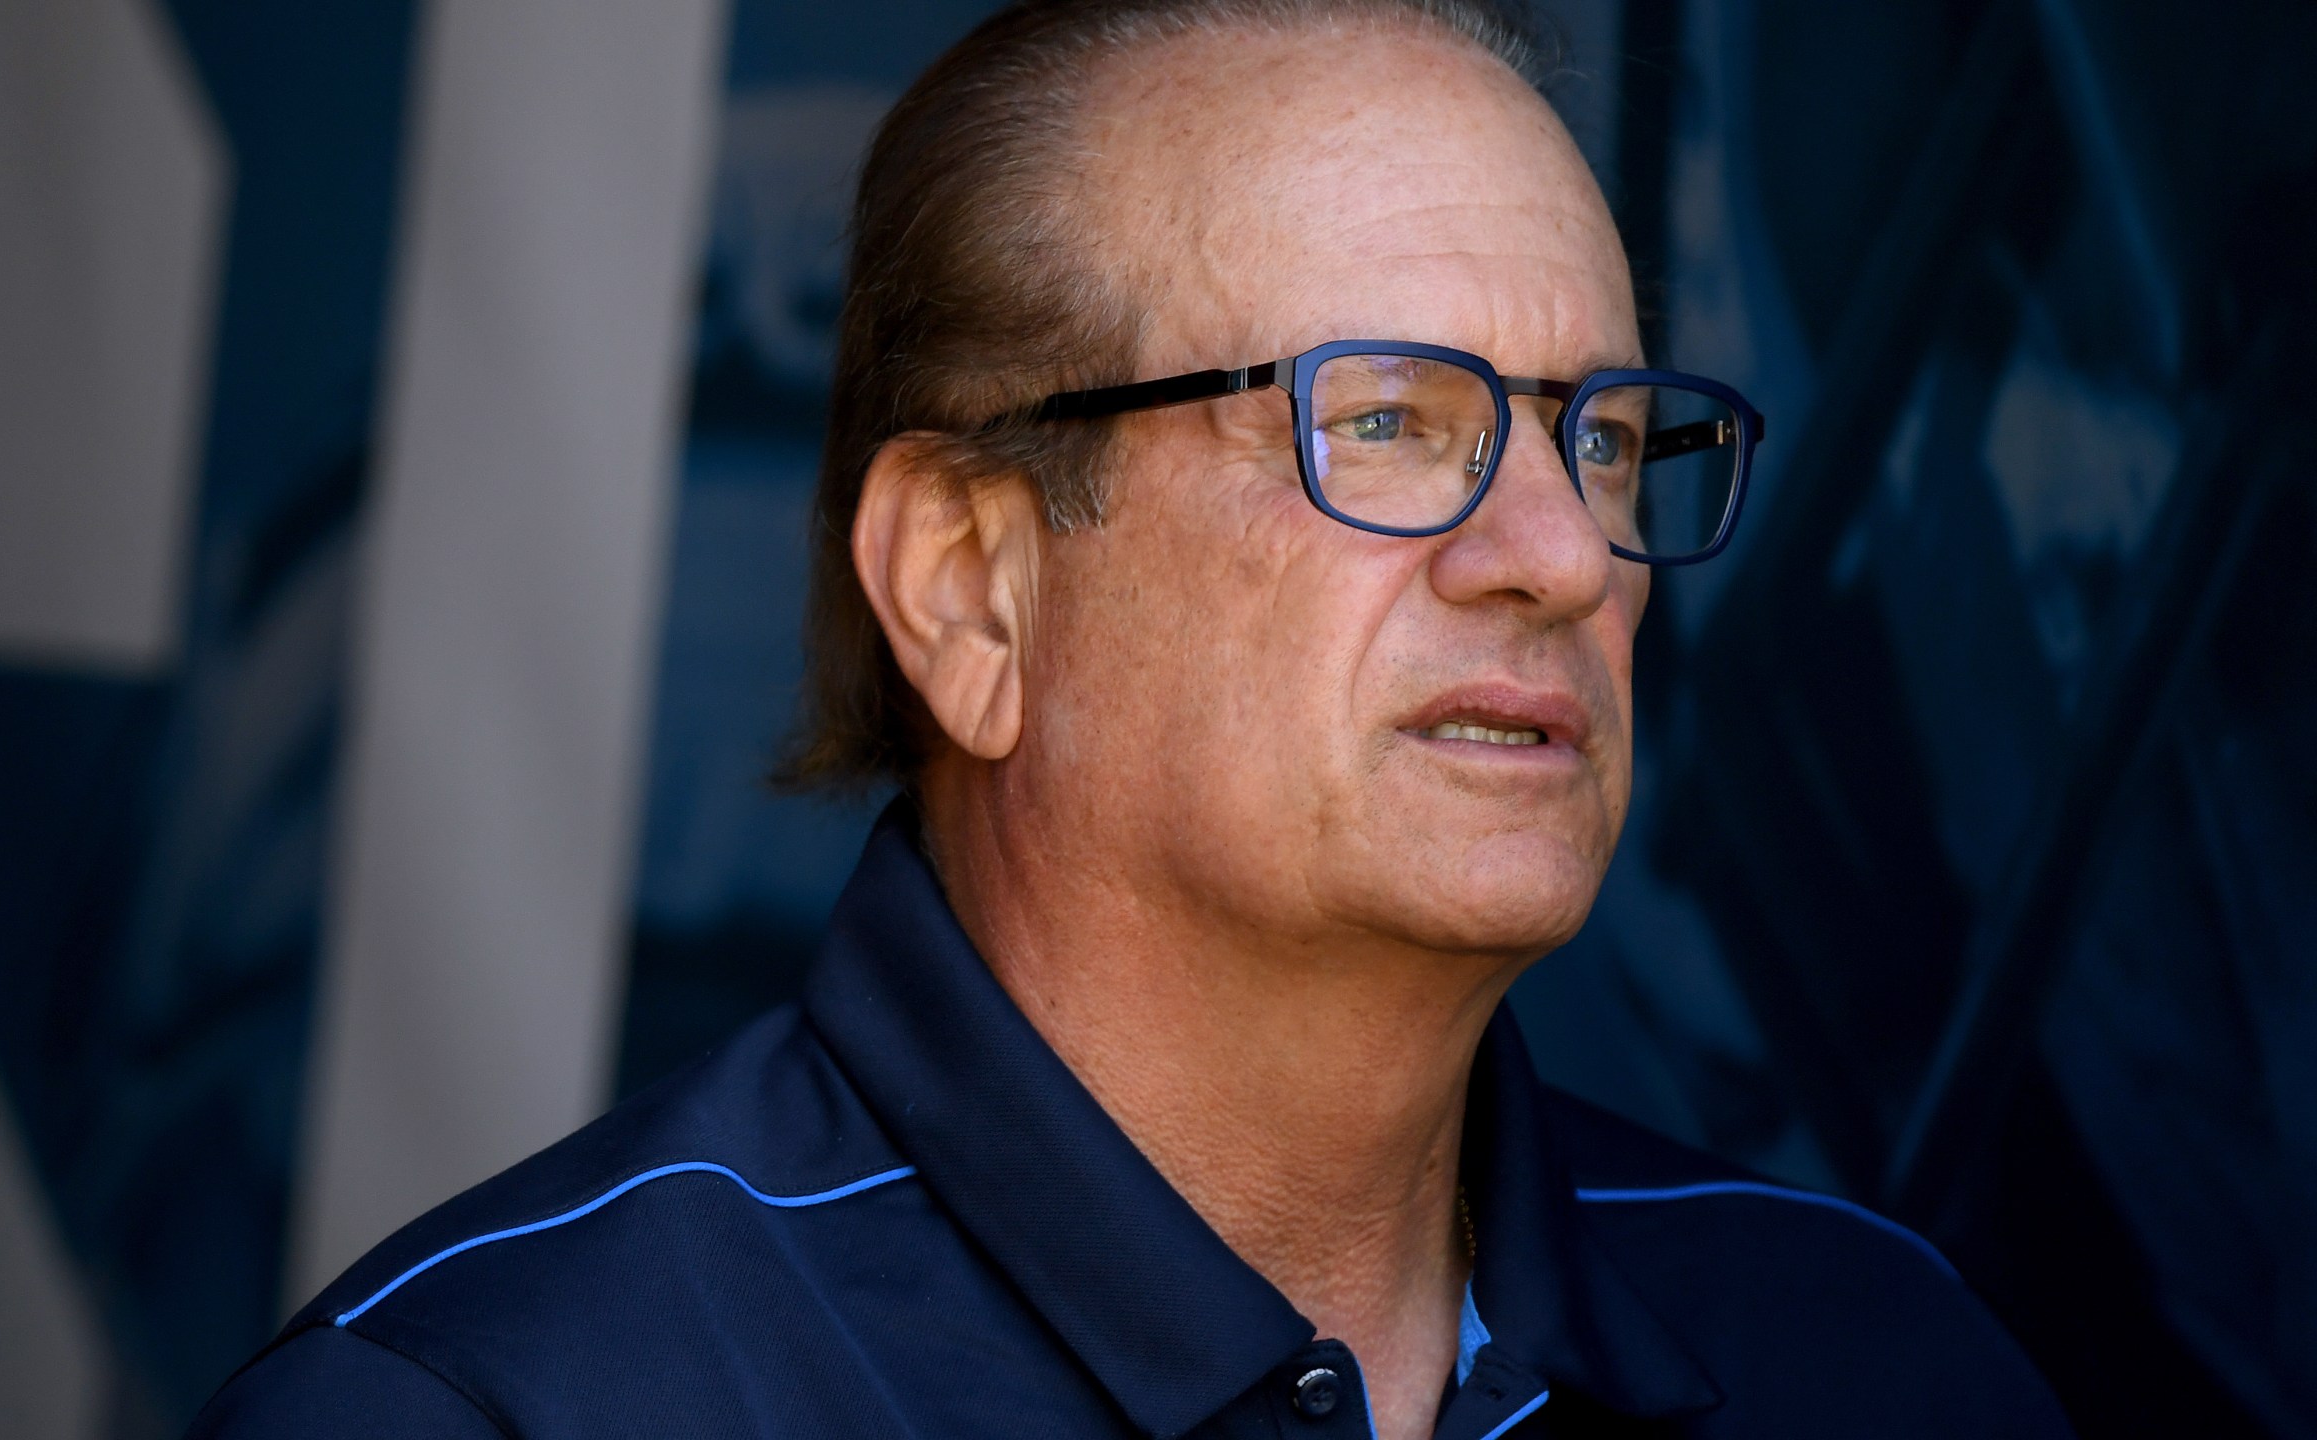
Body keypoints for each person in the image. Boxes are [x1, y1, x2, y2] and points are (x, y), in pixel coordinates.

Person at [190, 1, 2072, 1435]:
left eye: (1603, 438)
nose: (1562, 555)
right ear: (971, 588)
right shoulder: (507, 1407)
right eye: (1389, 423)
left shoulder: (1879, 1361)